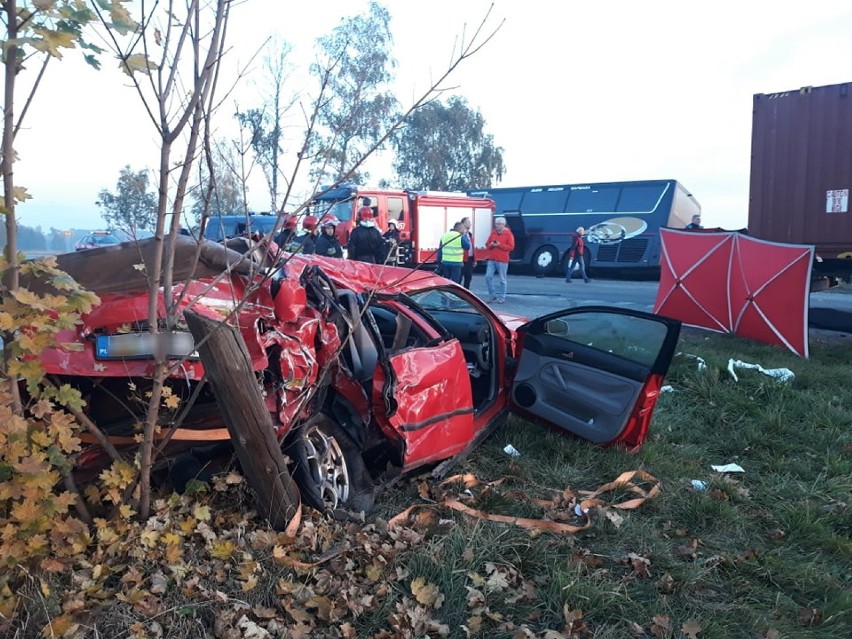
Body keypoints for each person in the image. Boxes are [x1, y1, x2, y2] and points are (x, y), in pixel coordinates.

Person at [484, 217, 515, 303]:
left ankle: (502, 297)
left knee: (502, 279)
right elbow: (487, 245)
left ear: (503, 225)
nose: (497, 226)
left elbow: (511, 247)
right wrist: (491, 245)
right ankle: (492, 295)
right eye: (496, 224)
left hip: (502, 260)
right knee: (488, 276)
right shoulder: (493, 233)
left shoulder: (508, 234)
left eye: (499, 224)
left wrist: (499, 245)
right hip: (492, 259)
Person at [460, 216, 476, 289]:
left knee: (468, 278)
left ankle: (466, 295)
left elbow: (472, 247)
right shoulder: (460, 235)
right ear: (463, 224)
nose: (470, 224)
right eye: (468, 222)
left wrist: (474, 260)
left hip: (470, 259)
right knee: (459, 278)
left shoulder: (470, 234)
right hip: (463, 259)